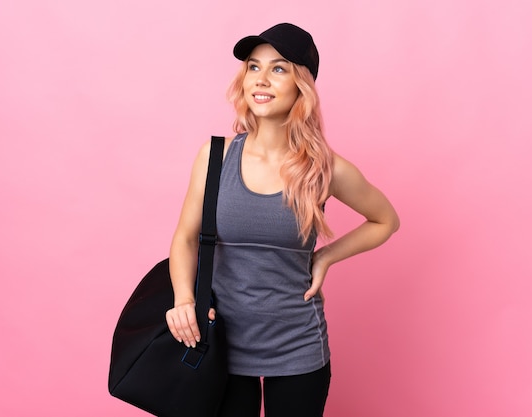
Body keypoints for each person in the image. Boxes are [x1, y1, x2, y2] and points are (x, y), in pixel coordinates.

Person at [165, 23, 400, 417]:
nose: (261, 79)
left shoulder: (325, 169)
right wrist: (183, 300)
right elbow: (186, 238)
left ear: (301, 84)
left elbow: (385, 220)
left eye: (278, 68)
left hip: (297, 346)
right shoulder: (215, 157)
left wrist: (324, 258)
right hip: (218, 343)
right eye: (254, 67)